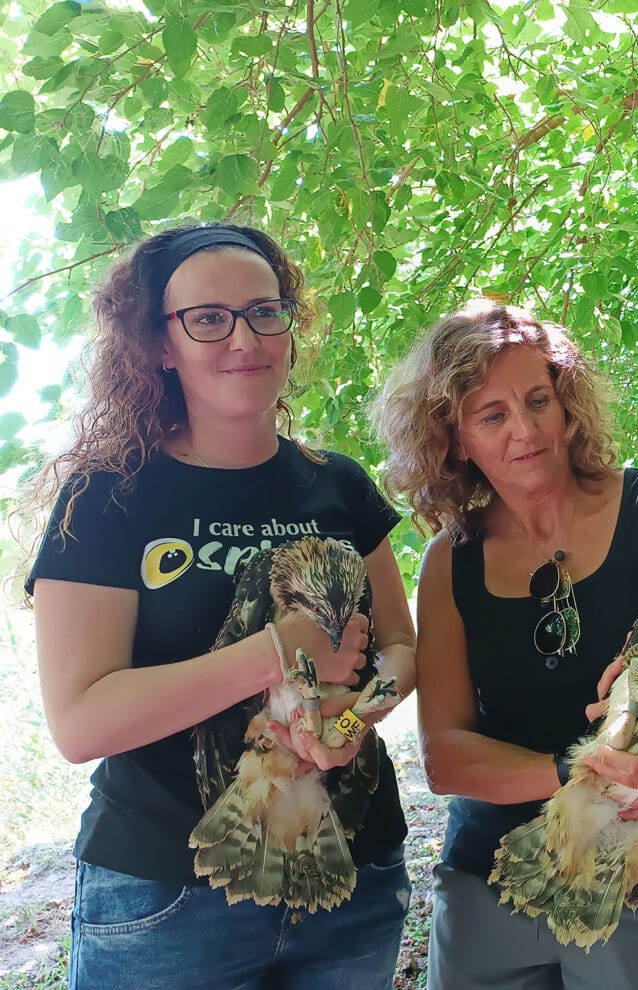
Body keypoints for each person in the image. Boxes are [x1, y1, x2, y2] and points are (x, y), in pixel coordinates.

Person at [25, 222, 417, 989]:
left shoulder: (337, 483)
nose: (245, 337)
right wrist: (280, 648)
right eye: (208, 318)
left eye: (265, 311)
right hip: (166, 894)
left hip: (353, 880)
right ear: (161, 344)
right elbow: (81, 722)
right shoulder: (108, 495)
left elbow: (402, 647)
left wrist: (351, 718)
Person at [372, 299, 638, 989]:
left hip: (636, 873)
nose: (525, 429)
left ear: (568, 405)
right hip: (486, 882)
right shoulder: (448, 561)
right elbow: (446, 759)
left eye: (538, 400)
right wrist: (583, 772)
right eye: (492, 415)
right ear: (457, 439)